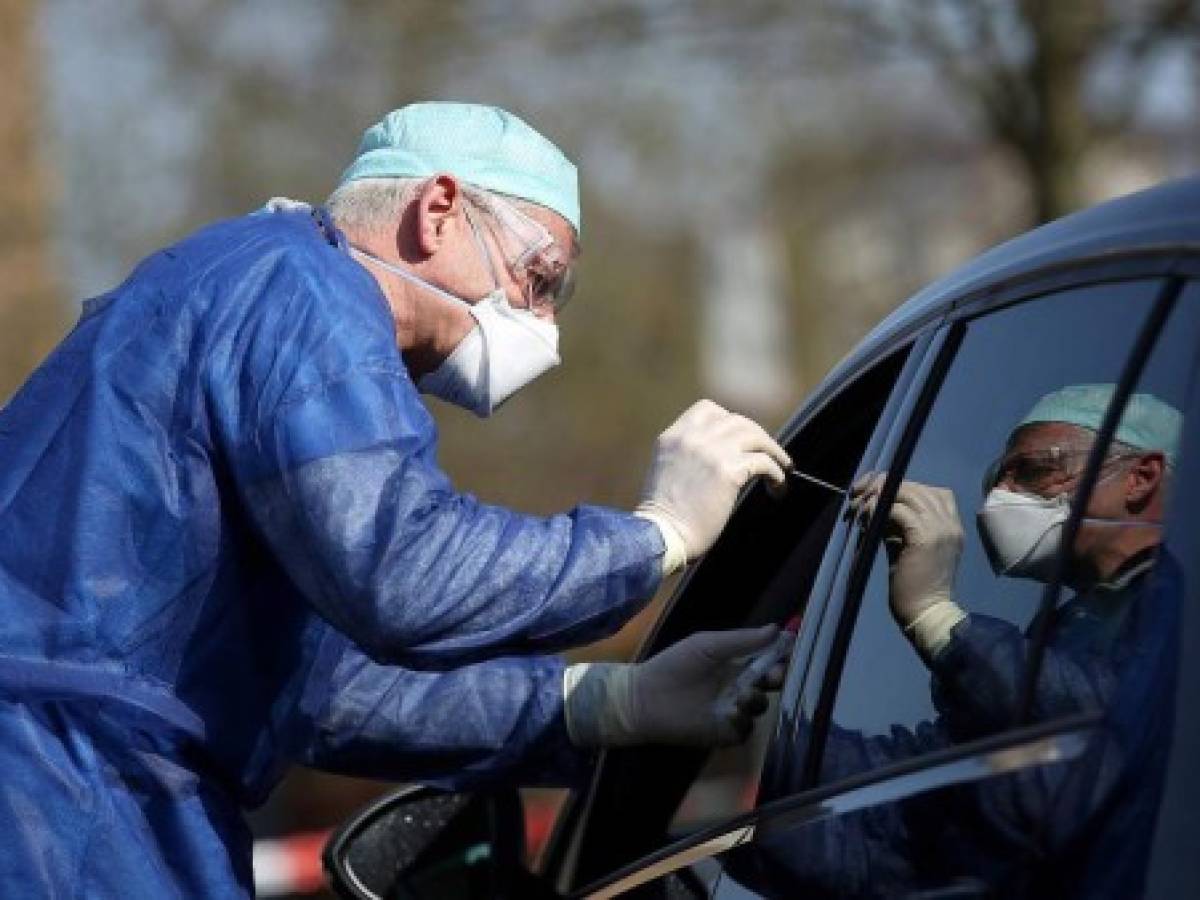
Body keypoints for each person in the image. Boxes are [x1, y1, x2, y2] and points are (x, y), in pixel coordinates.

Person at [0, 102, 792, 897]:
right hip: (64, 799)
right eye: (542, 278)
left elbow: (325, 691)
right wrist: (656, 537)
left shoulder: (244, 284)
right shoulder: (306, 294)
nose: (545, 326)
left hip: (76, 788)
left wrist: (604, 703)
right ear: (439, 211)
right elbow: (404, 572)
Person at [752, 385, 1182, 898]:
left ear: (1142, 478)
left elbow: (1114, 719)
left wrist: (938, 619)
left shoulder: (1181, 602)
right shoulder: (1071, 625)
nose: (999, 496)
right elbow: (925, 804)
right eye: (998, 477)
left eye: (1033, 470)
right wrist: (749, 723)